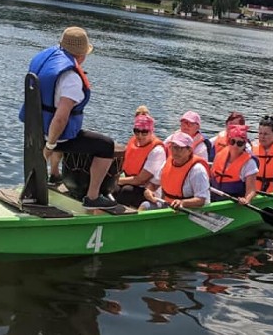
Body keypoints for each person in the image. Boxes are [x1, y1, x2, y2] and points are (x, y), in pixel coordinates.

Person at [23, 26, 116, 210]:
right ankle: (93, 197)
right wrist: (49, 146)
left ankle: (54, 175)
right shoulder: (71, 78)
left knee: (66, 132)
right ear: (81, 55)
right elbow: (60, 118)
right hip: (51, 136)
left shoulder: (45, 59)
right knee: (106, 145)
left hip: (34, 128)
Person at [140, 131, 210, 210]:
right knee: (145, 205)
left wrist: (182, 202)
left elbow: (201, 199)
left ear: (189, 150)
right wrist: (149, 190)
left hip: (186, 209)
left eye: (180, 148)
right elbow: (154, 184)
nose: (175, 151)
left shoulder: (197, 170)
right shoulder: (167, 163)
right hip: (167, 205)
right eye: (173, 147)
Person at [115, 113, 166, 208]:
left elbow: (140, 180)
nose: (140, 135)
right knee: (111, 189)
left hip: (149, 190)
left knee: (126, 191)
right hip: (131, 182)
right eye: (136, 131)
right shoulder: (134, 142)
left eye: (144, 132)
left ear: (151, 131)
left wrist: (117, 180)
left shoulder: (157, 151)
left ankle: (118, 218)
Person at [210, 124, 258, 204]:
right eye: (232, 142)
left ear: (244, 144)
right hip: (214, 199)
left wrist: (246, 199)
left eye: (239, 143)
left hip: (233, 203)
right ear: (229, 141)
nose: (235, 146)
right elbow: (211, 178)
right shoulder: (219, 155)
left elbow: (251, 190)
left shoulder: (249, 163)